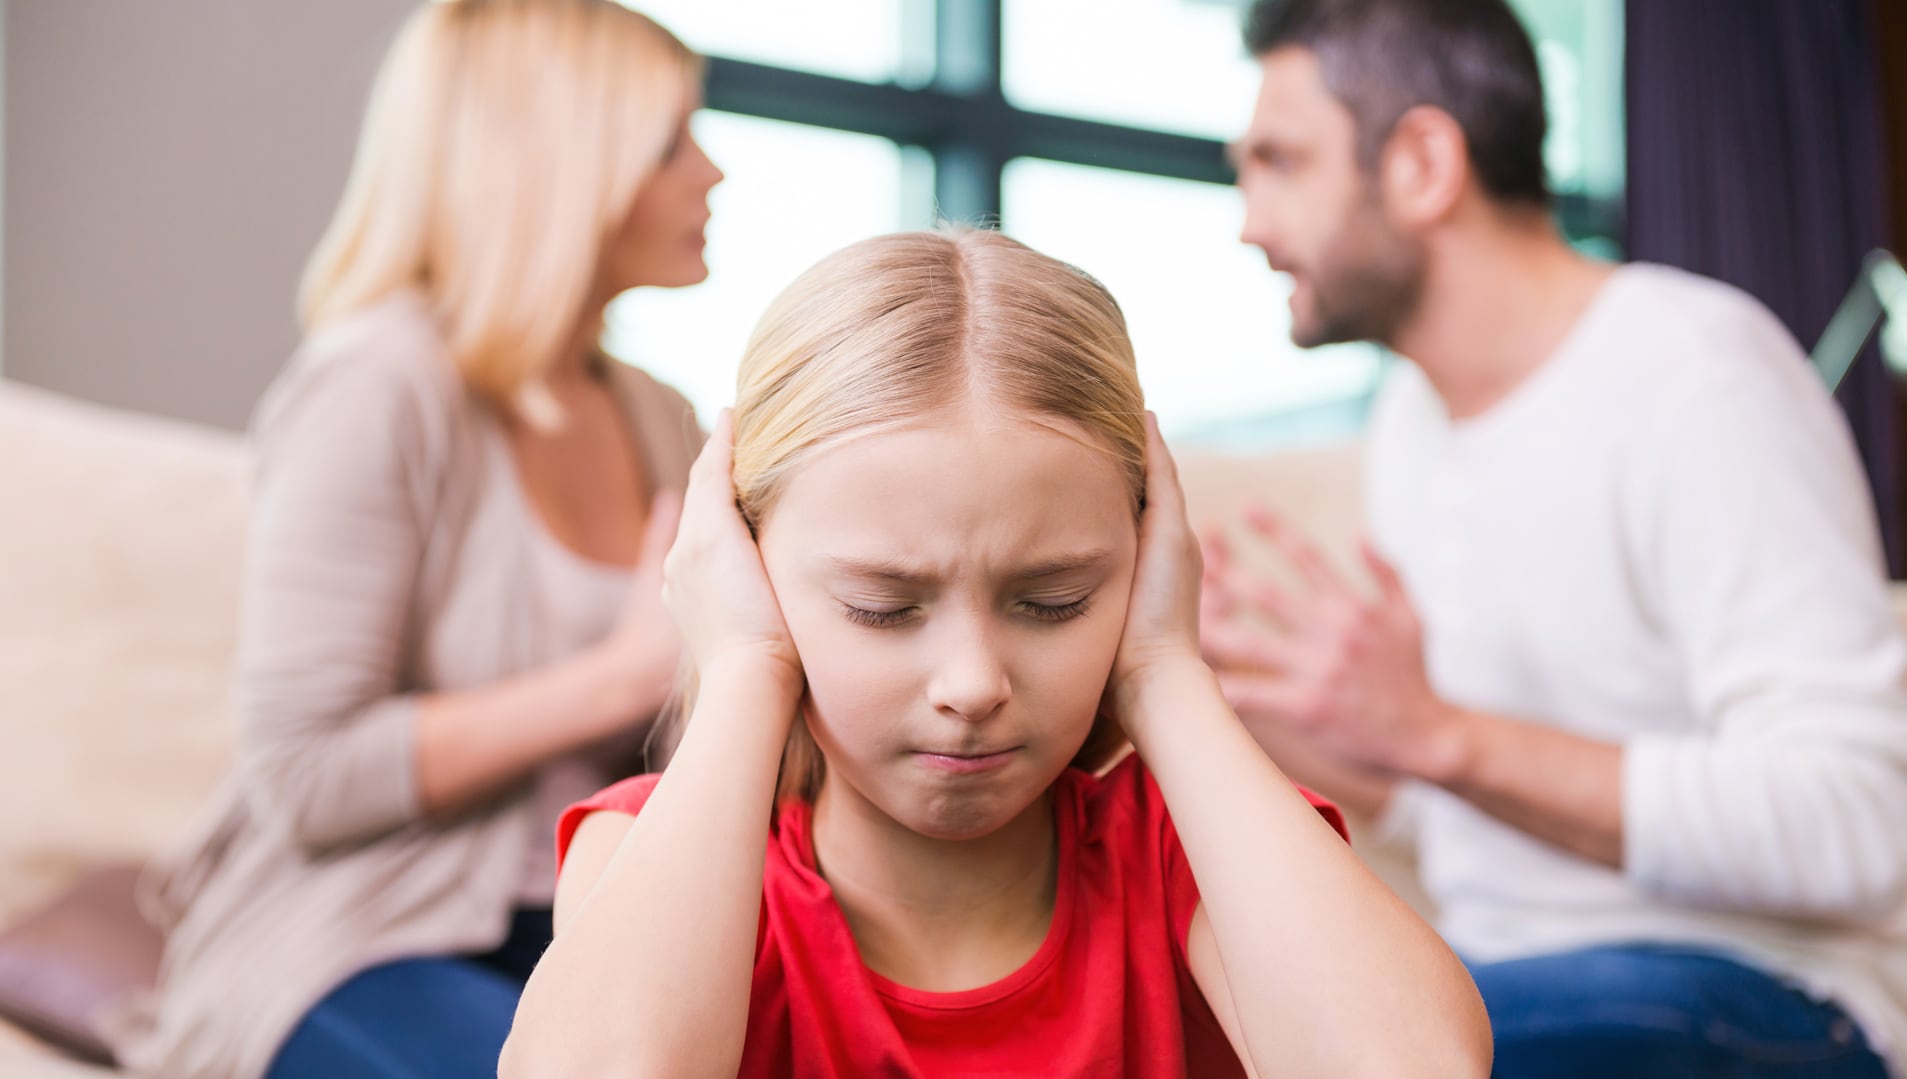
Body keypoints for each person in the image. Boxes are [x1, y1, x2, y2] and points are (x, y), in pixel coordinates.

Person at [497, 228, 1493, 1077]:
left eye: (1052, 600)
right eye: (884, 606)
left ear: (1145, 564)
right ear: (747, 573)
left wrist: (1167, 674)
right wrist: (744, 667)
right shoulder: (653, 853)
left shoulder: (1189, 848)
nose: (974, 683)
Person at [1204, 0, 1907, 1076]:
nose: (1250, 222)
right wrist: (1300, 724)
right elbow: (1474, 828)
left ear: (1424, 162)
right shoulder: (1412, 417)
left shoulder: (1696, 370)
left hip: (1772, 987)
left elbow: (1857, 824)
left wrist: (1438, 730)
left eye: (1281, 162)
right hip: (1515, 977)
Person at [112, 2, 723, 1076]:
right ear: (558, 161)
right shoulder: (377, 385)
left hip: (596, 922)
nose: (712, 172)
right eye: (670, 140)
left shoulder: (663, 416)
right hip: (359, 935)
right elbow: (306, 771)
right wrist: (620, 677)